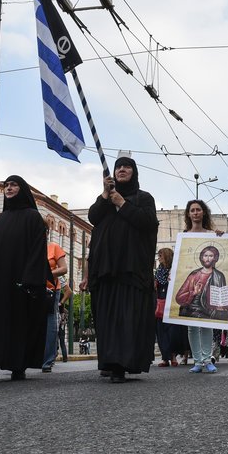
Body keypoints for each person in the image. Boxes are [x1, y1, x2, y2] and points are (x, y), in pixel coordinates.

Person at [83, 156, 158, 383]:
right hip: (105, 270)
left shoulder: (143, 198)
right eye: (118, 167)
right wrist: (106, 195)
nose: (122, 169)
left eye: (126, 167)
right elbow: (93, 217)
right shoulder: (105, 199)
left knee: (127, 319)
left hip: (130, 270)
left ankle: (122, 364)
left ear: (134, 172)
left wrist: (122, 204)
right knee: (106, 319)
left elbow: (147, 223)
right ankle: (109, 361)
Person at [0, 175, 50, 380]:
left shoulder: (33, 217)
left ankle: (18, 364)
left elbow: (37, 251)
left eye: (13, 185)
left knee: (19, 323)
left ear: (22, 189)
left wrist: (30, 278)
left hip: (21, 281)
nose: (8, 188)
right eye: (6, 185)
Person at [175, 199, 226, 374]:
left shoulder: (212, 234)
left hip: (209, 306)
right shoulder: (184, 236)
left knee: (207, 326)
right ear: (188, 214)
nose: (195, 213)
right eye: (192, 210)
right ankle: (197, 361)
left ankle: (207, 359)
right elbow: (180, 266)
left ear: (203, 212)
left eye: (198, 210)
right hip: (192, 305)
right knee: (192, 328)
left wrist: (221, 236)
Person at [42, 217, 68, 373]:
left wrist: (46, 273)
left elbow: (64, 269)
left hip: (52, 290)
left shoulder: (54, 247)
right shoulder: (29, 248)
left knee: (51, 323)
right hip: (34, 289)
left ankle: (48, 360)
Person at [154, 248, 178, 367]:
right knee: (161, 331)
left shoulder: (174, 269)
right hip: (160, 301)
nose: (159, 258)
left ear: (167, 256)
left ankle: (173, 356)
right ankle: (165, 358)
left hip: (171, 302)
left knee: (171, 331)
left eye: (161, 255)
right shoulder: (158, 270)